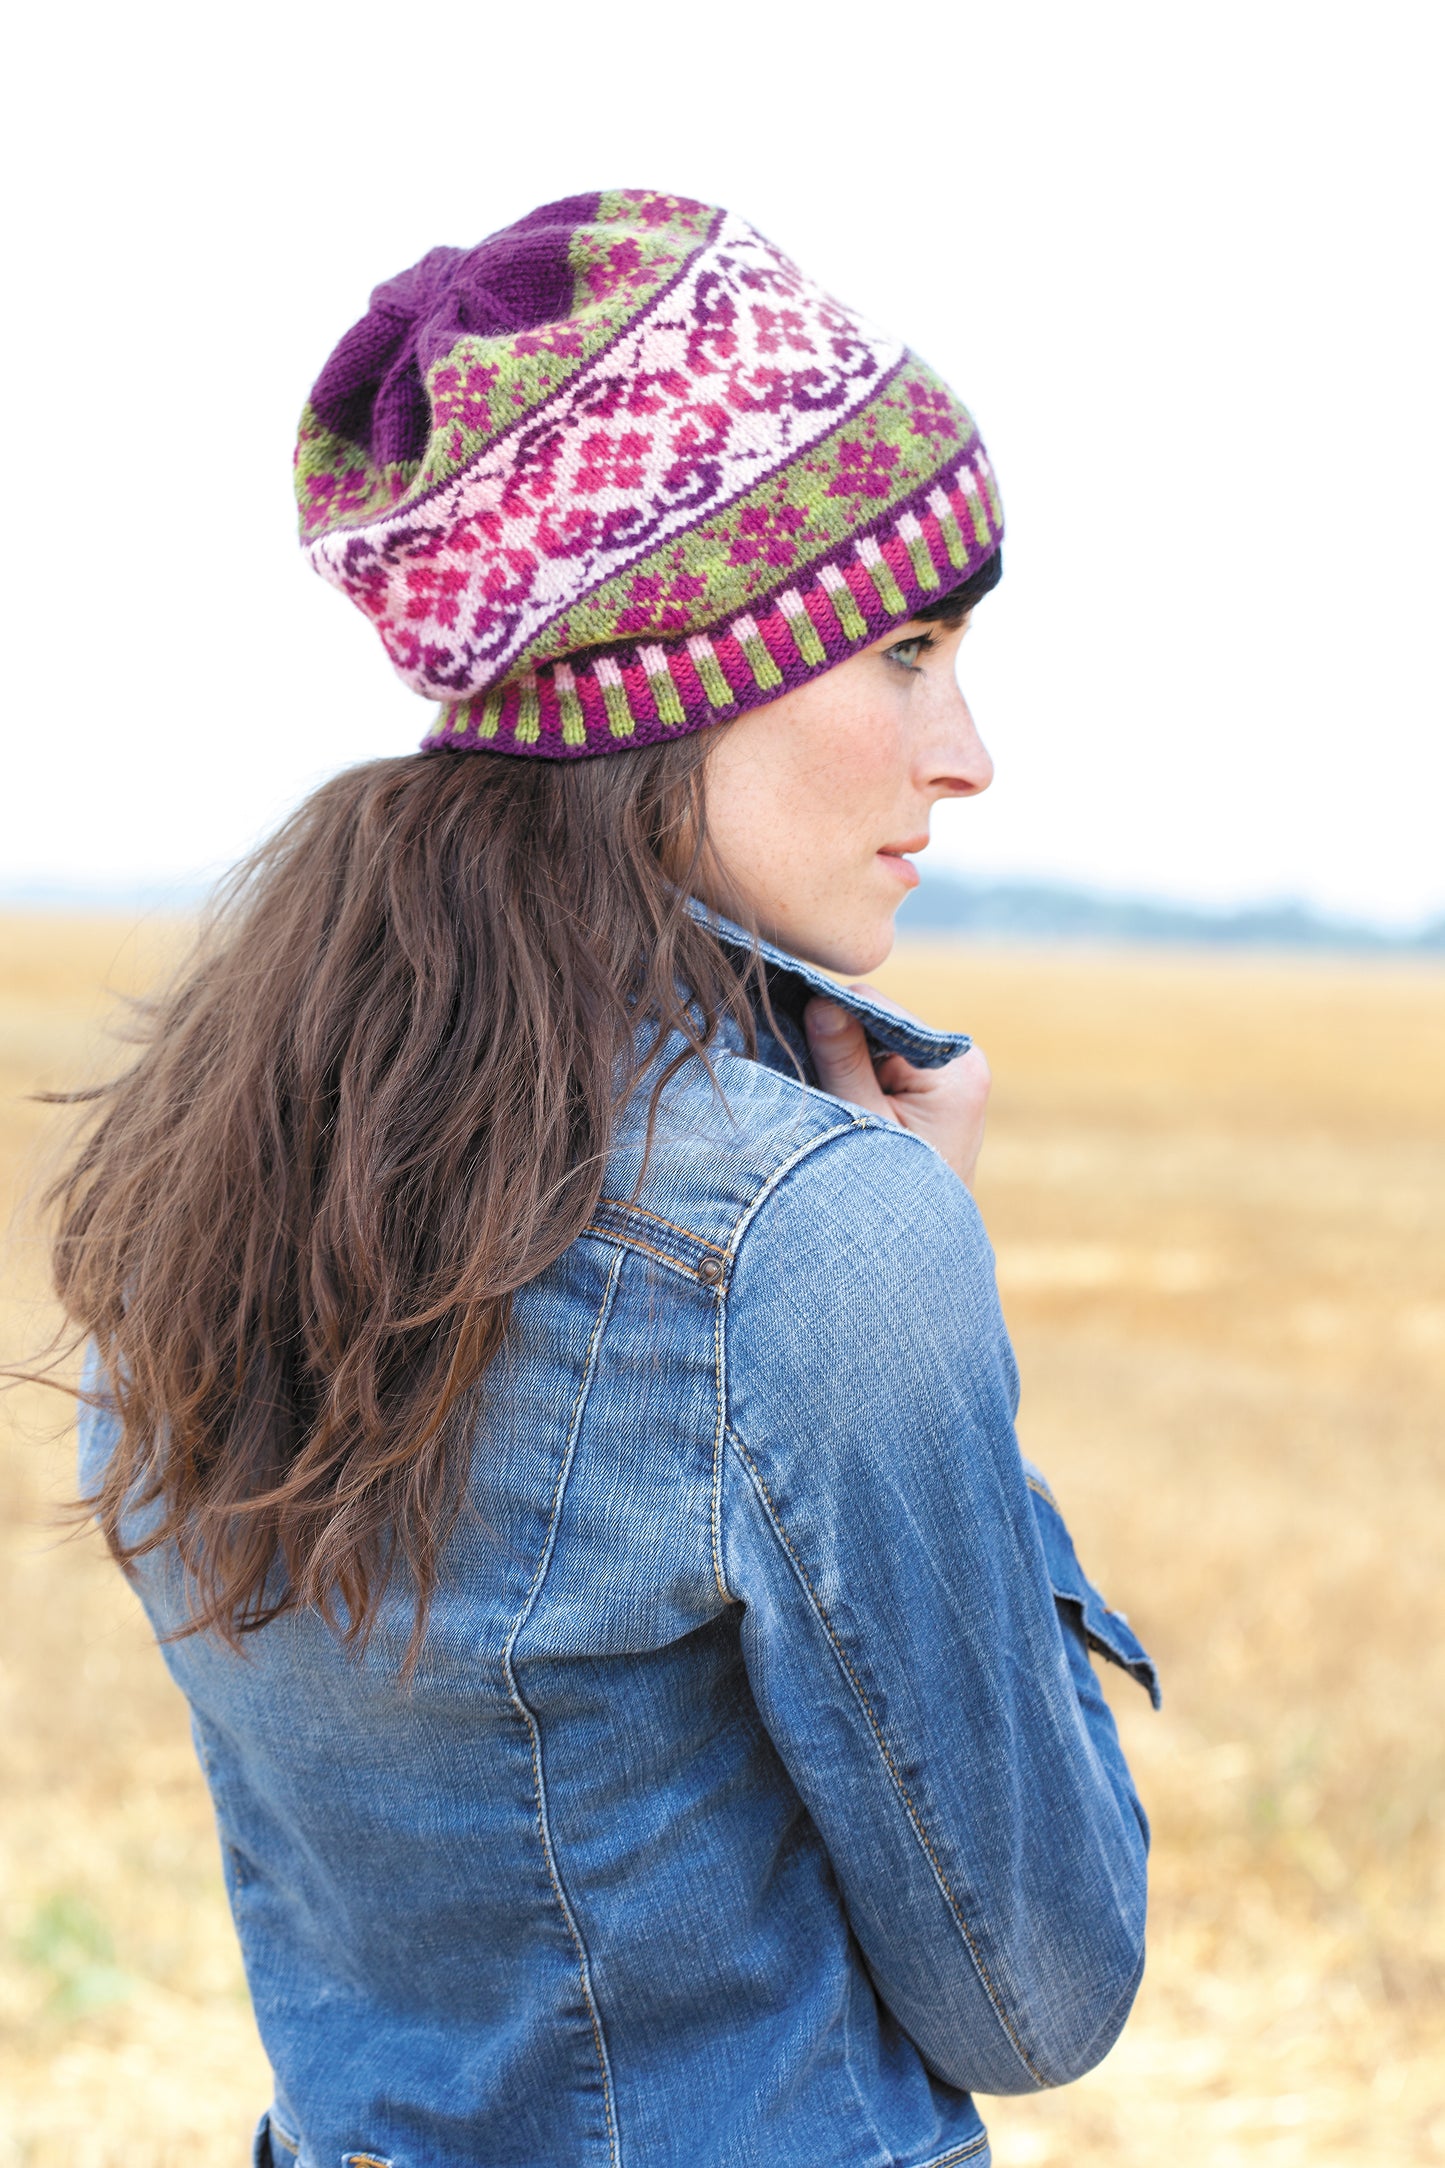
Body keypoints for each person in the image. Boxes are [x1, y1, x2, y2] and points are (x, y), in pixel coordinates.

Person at [54, 190, 1157, 2168]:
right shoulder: (811, 1235)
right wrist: (936, 1304)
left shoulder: (208, 1172)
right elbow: (1042, 1985)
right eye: (907, 644)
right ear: (673, 677)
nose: (967, 748)